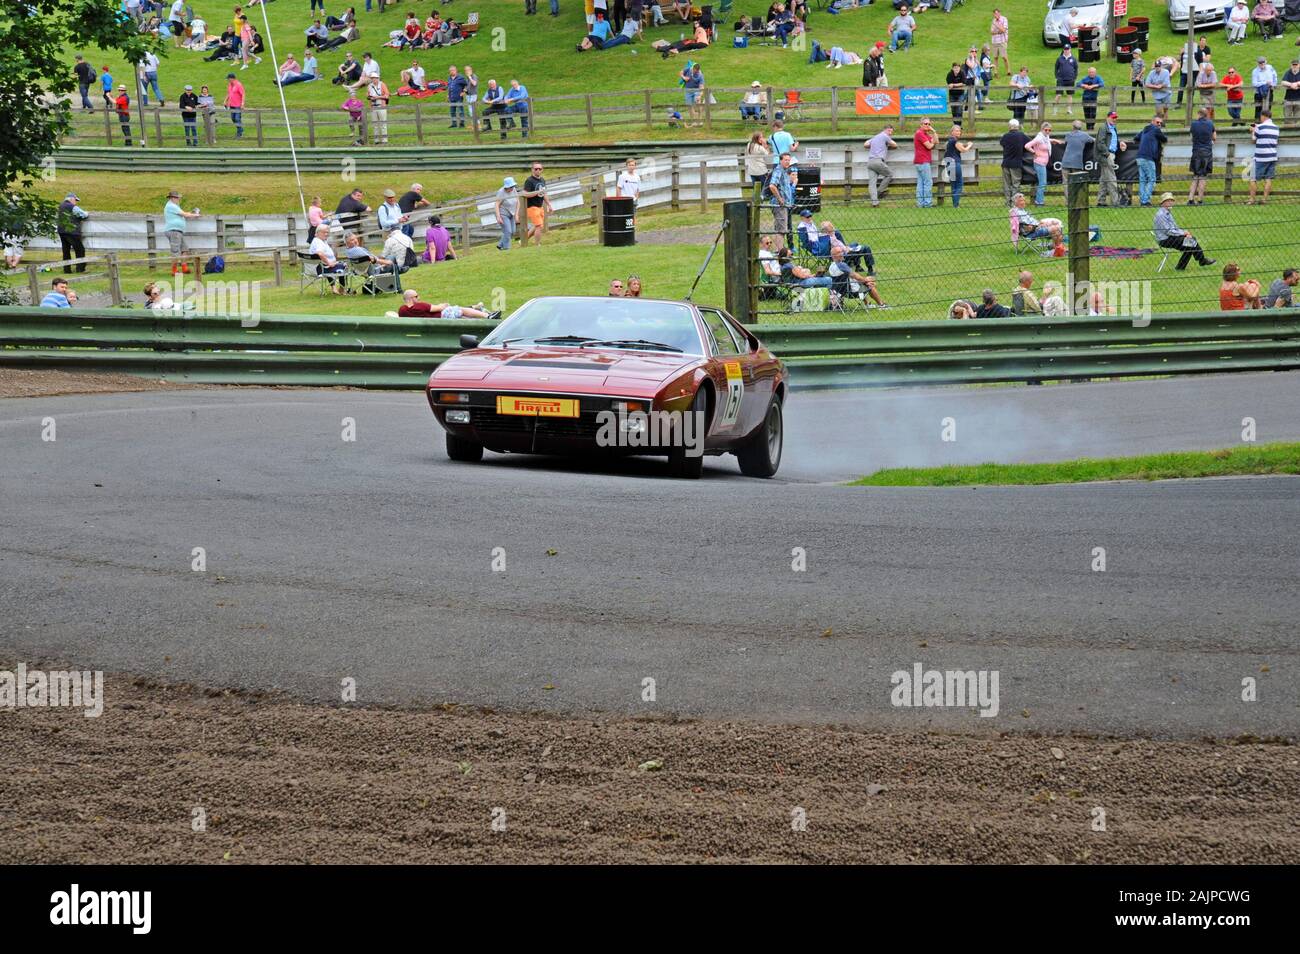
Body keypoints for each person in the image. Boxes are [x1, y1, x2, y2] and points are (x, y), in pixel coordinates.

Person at [1154, 193, 1214, 270]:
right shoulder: (1161, 215)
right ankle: (1202, 260)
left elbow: (1175, 228)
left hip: (1170, 237)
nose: (1170, 202)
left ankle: (1180, 268)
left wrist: (1185, 233)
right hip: (1165, 240)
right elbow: (1168, 231)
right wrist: (1183, 233)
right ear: (1162, 203)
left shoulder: (1167, 213)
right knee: (1191, 242)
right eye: (1168, 201)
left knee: (1190, 244)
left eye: (1171, 200)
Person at [163, 189, 199, 272]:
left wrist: (192, 213)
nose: (178, 199)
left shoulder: (174, 206)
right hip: (174, 231)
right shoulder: (171, 206)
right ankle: (174, 271)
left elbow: (184, 213)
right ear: (172, 198)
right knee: (175, 252)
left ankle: (184, 268)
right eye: (177, 198)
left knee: (184, 250)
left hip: (177, 231)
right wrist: (195, 215)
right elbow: (184, 214)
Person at [1184, 108, 1215, 205]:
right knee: (1203, 177)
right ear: (1206, 115)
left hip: (1196, 152)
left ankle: (1190, 199)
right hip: (1207, 153)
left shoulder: (1194, 124)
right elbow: (1214, 137)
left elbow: (1192, 137)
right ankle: (1200, 200)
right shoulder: (1210, 124)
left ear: (1199, 114)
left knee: (1195, 177)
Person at [1134, 114, 1166, 206]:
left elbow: (1136, 138)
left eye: (1160, 123)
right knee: (1152, 179)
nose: (1159, 124)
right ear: (1152, 122)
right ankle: (1145, 200)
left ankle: (1142, 200)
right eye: (1157, 122)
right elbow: (1164, 139)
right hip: (1148, 158)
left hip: (1139, 157)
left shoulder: (1145, 129)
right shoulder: (1156, 130)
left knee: (1143, 180)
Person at [1248, 110, 1280, 204]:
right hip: (1272, 156)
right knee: (1268, 179)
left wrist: (1253, 131)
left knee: (1252, 178)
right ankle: (1264, 200)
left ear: (1263, 116)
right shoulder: (1276, 128)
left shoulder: (1260, 127)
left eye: (1261, 117)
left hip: (1261, 157)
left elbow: (1254, 140)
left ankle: (1252, 200)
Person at [397, 289, 495, 319]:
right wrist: (444, 305)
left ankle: (477, 307)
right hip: (442, 317)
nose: (419, 298)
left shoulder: (402, 310)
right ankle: (487, 316)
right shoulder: (420, 306)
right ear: (410, 298)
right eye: (416, 296)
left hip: (431, 326)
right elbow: (439, 308)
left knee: (460, 313)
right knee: (459, 309)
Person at [1027, 122, 1061, 207]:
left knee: (1042, 183)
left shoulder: (1045, 137)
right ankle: (1039, 202)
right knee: (1043, 183)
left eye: (1050, 130)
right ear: (1042, 129)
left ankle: (1039, 201)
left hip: (1043, 163)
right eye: (1046, 130)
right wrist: (1034, 152)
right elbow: (1027, 145)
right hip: (1039, 163)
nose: (1048, 131)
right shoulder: (1039, 138)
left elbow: (1045, 141)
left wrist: (1052, 140)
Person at [308, 224, 348, 292]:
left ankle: (334, 288)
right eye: (324, 232)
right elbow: (319, 253)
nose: (326, 234)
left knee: (337, 265)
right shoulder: (319, 242)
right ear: (317, 233)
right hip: (322, 269)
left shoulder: (318, 240)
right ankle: (342, 289)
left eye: (327, 232)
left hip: (319, 267)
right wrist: (329, 263)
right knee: (344, 266)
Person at [56, 193, 90, 274]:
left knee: (66, 251)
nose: (76, 202)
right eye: (75, 200)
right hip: (72, 232)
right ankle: (80, 269)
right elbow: (83, 214)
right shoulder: (72, 207)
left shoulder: (61, 206)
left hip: (62, 231)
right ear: (71, 199)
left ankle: (67, 270)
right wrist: (87, 213)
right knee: (80, 250)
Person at [1096, 112, 1124, 207]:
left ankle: (1101, 201)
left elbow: (1112, 140)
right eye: (1113, 117)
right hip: (1107, 155)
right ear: (1107, 117)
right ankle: (1116, 202)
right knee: (1112, 178)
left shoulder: (1113, 128)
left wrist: (1120, 143)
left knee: (1104, 179)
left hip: (1110, 153)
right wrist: (1107, 154)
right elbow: (1100, 143)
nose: (1115, 119)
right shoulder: (1104, 128)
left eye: (1116, 117)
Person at [766, 152, 795, 242]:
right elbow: (772, 186)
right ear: (780, 160)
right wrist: (780, 199)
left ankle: (779, 251)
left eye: (789, 160)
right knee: (781, 231)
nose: (787, 162)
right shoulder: (778, 170)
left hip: (785, 205)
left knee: (780, 229)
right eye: (785, 160)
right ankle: (780, 253)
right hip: (779, 205)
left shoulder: (785, 171)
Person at [865, 126, 897, 207]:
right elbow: (895, 145)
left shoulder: (875, 137)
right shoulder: (885, 136)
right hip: (878, 161)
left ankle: (874, 202)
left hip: (870, 162)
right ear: (885, 130)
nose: (890, 133)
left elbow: (865, 144)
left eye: (891, 132)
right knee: (889, 174)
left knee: (872, 183)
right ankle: (879, 192)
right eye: (889, 131)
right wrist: (887, 144)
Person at [943, 124, 972, 208]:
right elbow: (963, 150)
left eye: (959, 130)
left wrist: (964, 144)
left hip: (949, 163)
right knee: (959, 183)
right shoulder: (955, 141)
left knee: (953, 184)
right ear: (952, 132)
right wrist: (969, 145)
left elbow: (959, 146)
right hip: (955, 164)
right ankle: (956, 204)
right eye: (956, 130)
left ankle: (955, 204)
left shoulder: (949, 141)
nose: (959, 132)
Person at [523, 162, 553, 243]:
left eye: (540, 169)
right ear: (532, 170)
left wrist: (549, 205)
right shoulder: (529, 181)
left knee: (539, 226)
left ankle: (523, 240)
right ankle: (537, 245)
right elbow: (525, 194)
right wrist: (536, 192)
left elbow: (544, 193)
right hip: (532, 206)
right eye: (536, 169)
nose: (538, 170)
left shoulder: (542, 180)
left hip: (540, 206)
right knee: (538, 226)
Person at [912, 117, 936, 208]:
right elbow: (929, 146)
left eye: (929, 124)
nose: (928, 125)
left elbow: (936, 141)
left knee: (921, 182)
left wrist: (933, 131)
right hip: (922, 161)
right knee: (928, 182)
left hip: (920, 161)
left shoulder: (925, 134)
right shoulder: (920, 133)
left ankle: (920, 203)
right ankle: (927, 203)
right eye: (925, 124)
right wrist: (932, 142)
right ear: (921, 125)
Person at [495, 176, 519, 250]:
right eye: (510, 186)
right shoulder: (501, 192)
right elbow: (496, 204)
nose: (512, 188)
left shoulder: (514, 190)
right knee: (508, 231)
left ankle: (500, 245)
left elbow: (518, 201)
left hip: (512, 213)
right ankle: (506, 249)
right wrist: (498, 217)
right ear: (506, 187)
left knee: (513, 231)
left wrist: (516, 214)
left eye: (513, 186)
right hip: (503, 214)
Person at [1252, 56, 1277, 122]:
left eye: (1263, 62)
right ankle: (1257, 127)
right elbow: (1254, 83)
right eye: (1260, 63)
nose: (1262, 64)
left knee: (1268, 109)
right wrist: (1265, 83)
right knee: (1258, 110)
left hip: (1270, 91)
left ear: (1266, 61)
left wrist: (1273, 84)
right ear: (1257, 63)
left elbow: (1275, 76)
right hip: (1259, 93)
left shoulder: (1270, 67)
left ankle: (1267, 126)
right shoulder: (1255, 71)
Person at [1054, 46, 1077, 114]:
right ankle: (1055, 109)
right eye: (1065, 49)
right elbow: (1056, 68)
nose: (1066, 51)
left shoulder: (1073, 59)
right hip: (1061, 79)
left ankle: (1069, 110)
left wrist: (1074, 77)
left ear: (1070, 50)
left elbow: (1076, 69)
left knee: (1069, 95)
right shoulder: (1059, 58)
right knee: (1059, 95)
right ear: (1063, 50)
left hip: (1070, 79)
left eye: (1068, 49)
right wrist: (1057, 76)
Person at [224, 73, 245, 139]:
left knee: (237, 119)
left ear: (232, 78)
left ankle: (239, 133)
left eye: (228, 78)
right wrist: (225, 101)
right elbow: (229, 93)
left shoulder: (239, 85)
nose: (228, 80)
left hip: (238, 105)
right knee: (233, 118)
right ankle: (240, 129)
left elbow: (243, 94)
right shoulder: (230, 85)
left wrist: (242, 104)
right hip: (231, 105)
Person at [989, 9, 1009, 77]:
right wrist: (998, 31)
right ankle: (996, 72)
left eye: (997, 14)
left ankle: (1008, 71)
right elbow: (991, 32)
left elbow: (1003, 30)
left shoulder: (1004, 19)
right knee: (995, 57)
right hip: (994, 42)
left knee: (1004, 57)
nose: (995, 15)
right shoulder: (993, 20)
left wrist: (997, 25)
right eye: (994, 14)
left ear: (999, 13)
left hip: (1002, 41)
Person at [1281, 59, 1300, 124]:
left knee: (1297, 118)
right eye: (1293, 65)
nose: (1294, 66)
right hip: (1288, 99)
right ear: (1291, 65)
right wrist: (1291, 85)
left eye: (1296, 65)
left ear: (1299, 65)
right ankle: (1287, 132)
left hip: (1299, 99)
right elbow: (1283, 82)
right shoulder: (1288, 72)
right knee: (1287, 117)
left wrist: (1297, 83)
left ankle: (1295, 132)